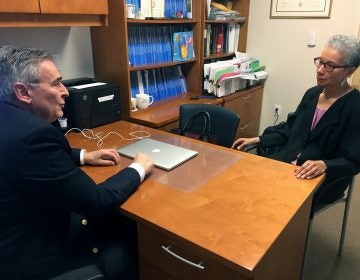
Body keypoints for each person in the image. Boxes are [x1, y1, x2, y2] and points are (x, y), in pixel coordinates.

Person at [0, 46, 154, 280]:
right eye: (56, 83)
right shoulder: (35, 137)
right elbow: (97, 200)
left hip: (11, 238)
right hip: (33, 261)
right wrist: (138, 168)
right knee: (132, 244)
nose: (66, 92)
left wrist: (84, 155)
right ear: (23, 91)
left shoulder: (10, 120)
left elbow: (23, 156)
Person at [232, 34, 360, 208]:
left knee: (271, 202)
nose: (320, 69)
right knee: (243, 181)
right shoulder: (312, 94)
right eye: (320, 62)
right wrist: (259, 139)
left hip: (321, 178)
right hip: (287, 163)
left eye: (330, 66)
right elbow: (290, 130)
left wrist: (325, 165)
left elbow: (353, 159)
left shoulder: (355, 106)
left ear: (350, 70)